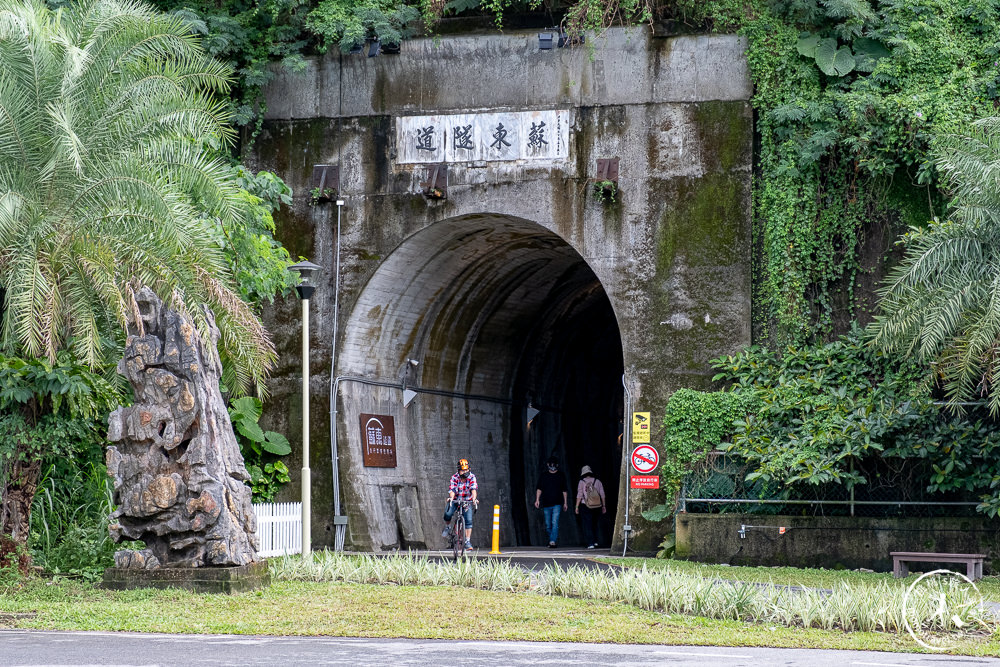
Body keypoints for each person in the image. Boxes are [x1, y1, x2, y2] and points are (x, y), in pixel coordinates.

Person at [442, 458, 478, 550]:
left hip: (466, 501)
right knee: (447, 514)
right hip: (456, 500)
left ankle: (467, 541)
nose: (465, 472)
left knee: (468, 521)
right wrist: (451, 497)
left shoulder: (472, 477)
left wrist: (474, 499)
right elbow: (453, 490)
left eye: (467, 470)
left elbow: (473, 489)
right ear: (459, 471)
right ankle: (448, 527)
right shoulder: (455, 477)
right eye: (463, 470)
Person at [534, 456, 568, 548]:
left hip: (557, 503)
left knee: (555, 522)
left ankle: (552, 541)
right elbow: (539, 488)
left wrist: (565, 503)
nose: (552, 466)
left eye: (554, 464)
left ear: (557, 465)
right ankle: (551, 540)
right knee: (548, 524)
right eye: (551, 464)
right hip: (546, 503)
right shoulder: (544, 475)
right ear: (548, 465)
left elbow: (564, 490)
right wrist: (537, 499)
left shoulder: (561, 475)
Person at [574, 465, 606, 549]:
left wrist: (577, 506)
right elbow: (602, 494)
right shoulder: (597, 481)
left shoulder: (582, 482)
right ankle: (595, 541)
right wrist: (604, 506)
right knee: (595, 523)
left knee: (587, 524)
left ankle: (590, 543)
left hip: (586, 505)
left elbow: (579, 495)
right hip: (597, 505)